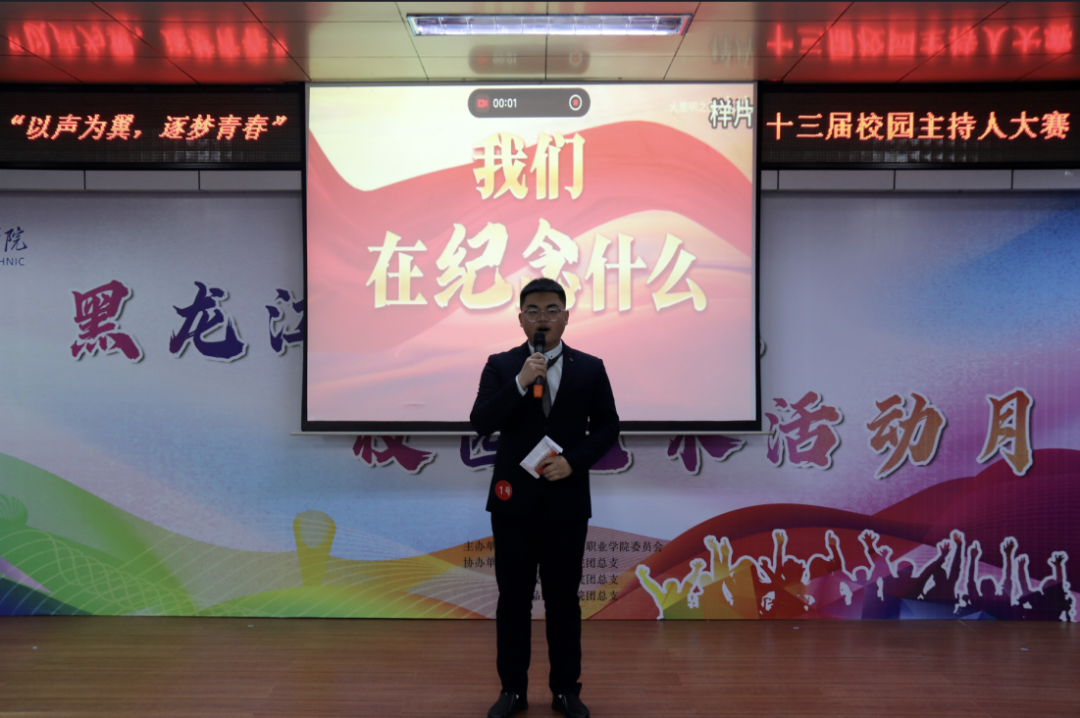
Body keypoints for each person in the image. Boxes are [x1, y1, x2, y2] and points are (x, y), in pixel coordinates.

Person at [471, 277, 620, 718]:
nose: (543, 318)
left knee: (563, 602)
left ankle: (566, 691)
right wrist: (521, 382)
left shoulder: (589, 367)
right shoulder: (502, 365)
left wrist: (573, 461)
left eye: (552, 310)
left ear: (566, 317)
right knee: (513, 601)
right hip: (513, 502)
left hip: (565, 500)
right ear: (520, 319)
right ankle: (512, 691)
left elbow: (608, 427)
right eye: (533, 311)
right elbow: (481, 421)